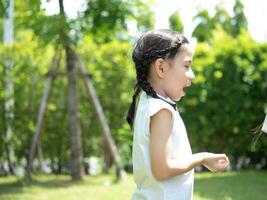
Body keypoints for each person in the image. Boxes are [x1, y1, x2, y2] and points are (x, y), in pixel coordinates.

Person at [126, 29, 230, 200]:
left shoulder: (149, 102)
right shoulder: (161, 111)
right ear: (161, 67)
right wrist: (202, 158)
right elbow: (162, 169)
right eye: (187, 66)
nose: (192, 75)